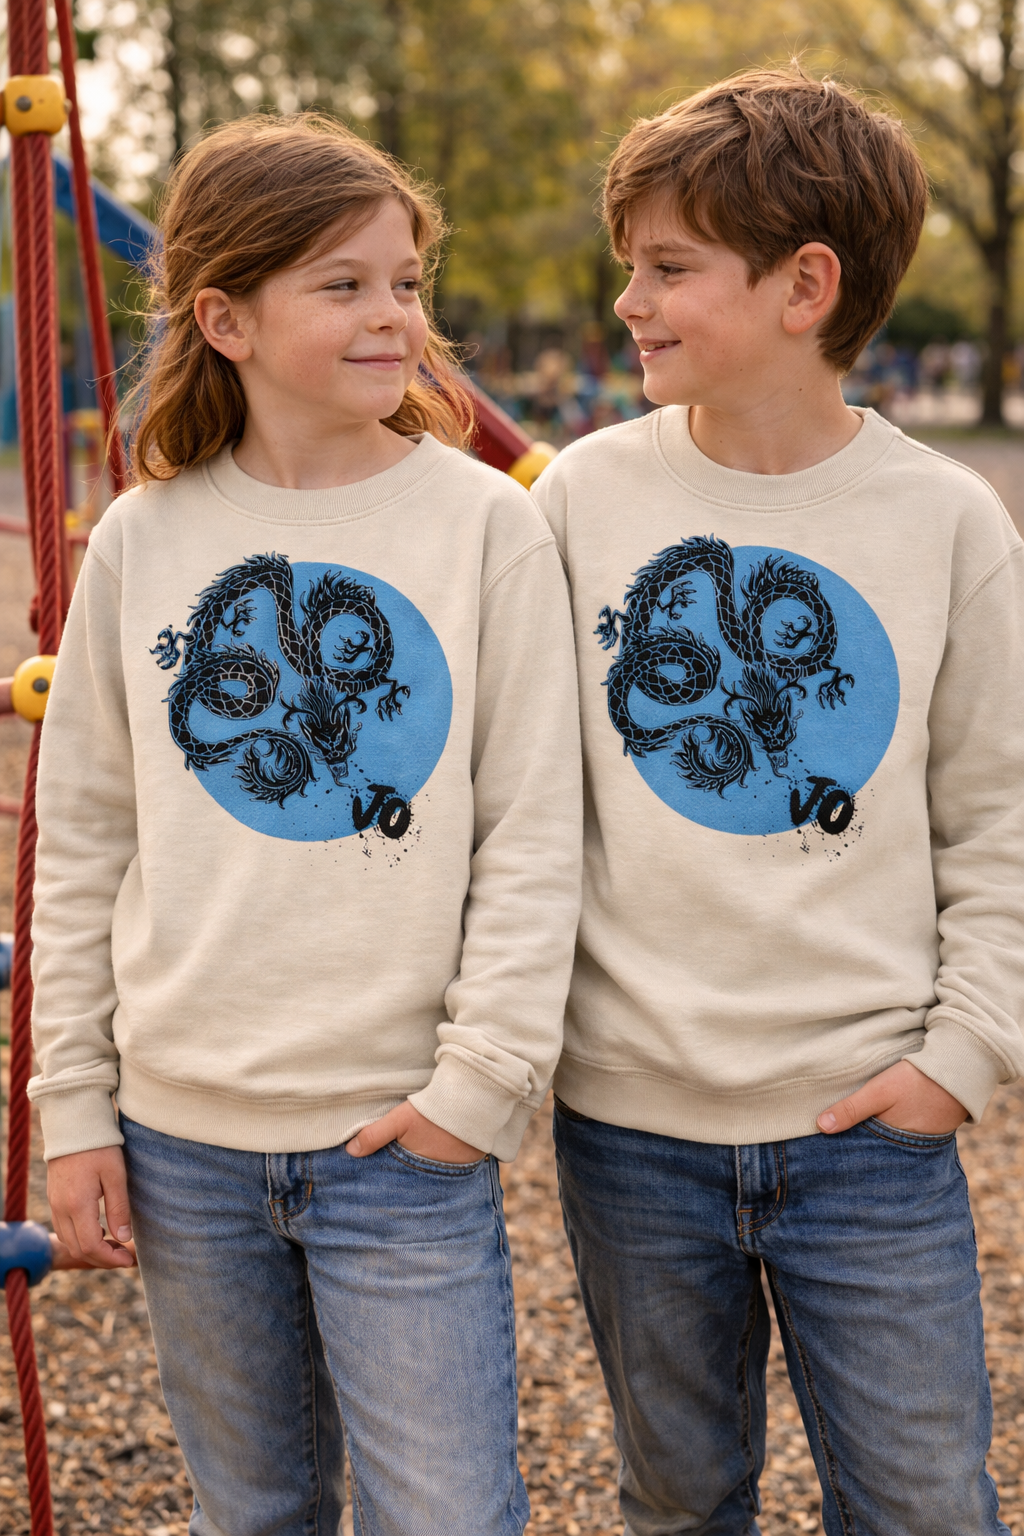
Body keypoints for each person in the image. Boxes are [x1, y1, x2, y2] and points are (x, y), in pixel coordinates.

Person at [30, 113, 582, 1536]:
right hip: (181, 1136)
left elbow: (533, 833)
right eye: (344, 285)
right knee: (254, 1511)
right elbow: (82, 841)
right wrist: (72, 1107)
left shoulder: (486, 528)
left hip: (399, 1138)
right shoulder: (142, 540)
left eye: (406, 281)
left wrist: (477, 1090)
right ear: (225, 319)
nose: (394, 314)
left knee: (448, 1514)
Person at [531, 67, 1024, 1536]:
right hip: (629, 1128)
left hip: (871, 1127)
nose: (630, 301)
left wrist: (963, 1057)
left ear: (806, 286)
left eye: (669, 268)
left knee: (926, 1503)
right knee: (680, 1500)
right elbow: (520, 798)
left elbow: (999, 818)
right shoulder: (576, 502)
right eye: (632, 266)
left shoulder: (945, 521)